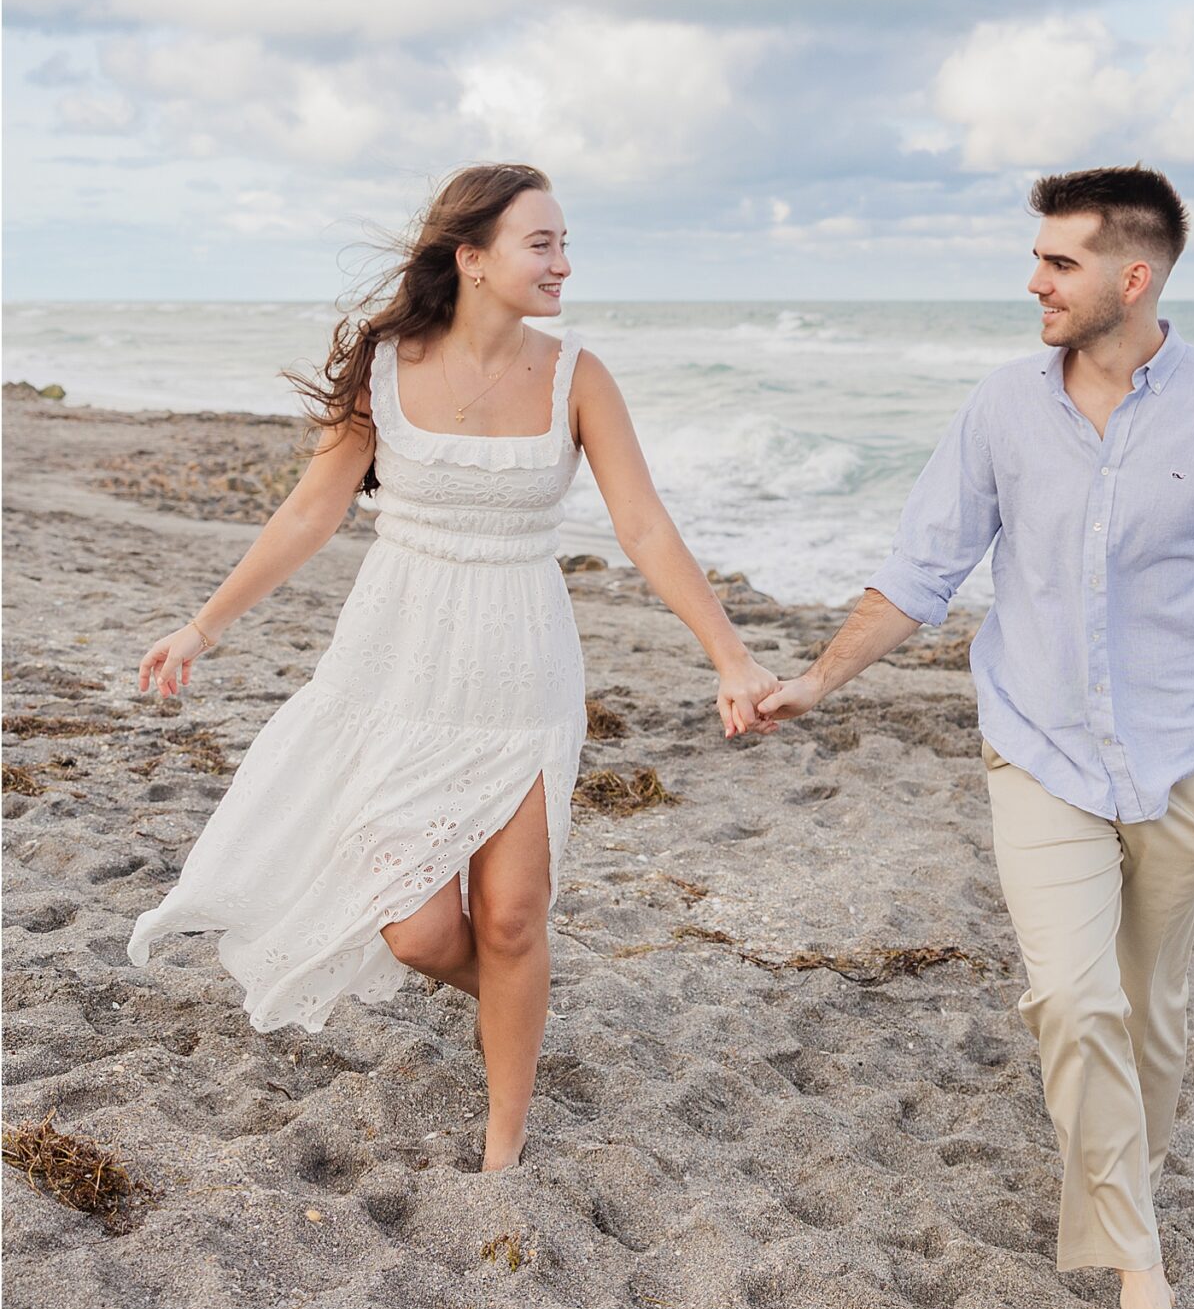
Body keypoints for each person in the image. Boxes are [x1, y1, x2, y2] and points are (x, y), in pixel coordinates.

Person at [759, 163, 1194, 1309]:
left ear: (1133, 275)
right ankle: (1136, 1259)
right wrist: (814, 678)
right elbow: (922, 570)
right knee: (1072, 999)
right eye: (1037, 258)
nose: (1034, 281)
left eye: (1058, 262)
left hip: (1186, 763)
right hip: (1039, 750)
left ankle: (1123, 1183)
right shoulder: (1002, 408)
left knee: (1148, 1012)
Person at [130, 163, 779, 1171]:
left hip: (522, 664)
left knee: (514, 919)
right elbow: (312, 510)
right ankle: (521, 1001)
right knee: (421, 933)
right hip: (399, 661)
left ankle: (504, 1140)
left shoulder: (577, 376)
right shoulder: (386, 367)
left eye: (565, 243)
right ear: (471, 258)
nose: (563, 263)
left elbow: (642, 524)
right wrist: (202, 627)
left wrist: (727, 654)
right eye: (542, 243)